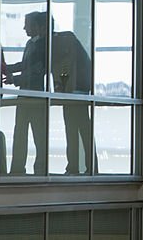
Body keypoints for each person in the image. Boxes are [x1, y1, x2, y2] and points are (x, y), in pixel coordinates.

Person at [4, 11, 48, 175]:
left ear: (37, 26)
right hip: (26, 95)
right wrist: (6, 69)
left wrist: (14, 79)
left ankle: (39, 169)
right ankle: (17, 168)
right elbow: (24, 65)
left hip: (35, 96)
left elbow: (36, 71)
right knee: (20, 132)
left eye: (27, 24)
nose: (24, 28)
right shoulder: (32, 43)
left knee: (38, 135)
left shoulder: (43, 45)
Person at [51, 27, 94, 174]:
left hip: (73, 94)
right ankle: (89, 167)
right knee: (83, 131)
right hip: (77, 92)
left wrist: (61, 87)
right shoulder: (68, 41)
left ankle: (74, 167)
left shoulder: (61, 40)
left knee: (74, 131)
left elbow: (65, 67)